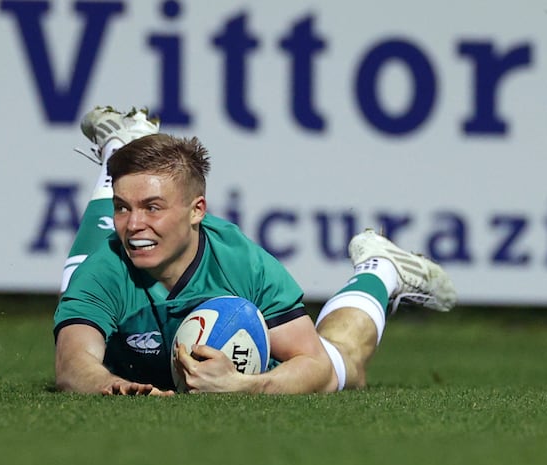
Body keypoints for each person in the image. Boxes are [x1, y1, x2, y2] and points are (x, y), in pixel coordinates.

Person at [54, 106, 457, 396]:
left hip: (249, 353)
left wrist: (244, 385)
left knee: (345, 367)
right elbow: (72, 366)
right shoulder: (104, 268)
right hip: (115, 299)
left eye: (154, 207)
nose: (134, 223)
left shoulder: (244, 266)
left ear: (198, 211)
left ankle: (380, 268)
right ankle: (120, 149)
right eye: (121, 207)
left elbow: (313, 364)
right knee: (83, 269)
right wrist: (118, 386)